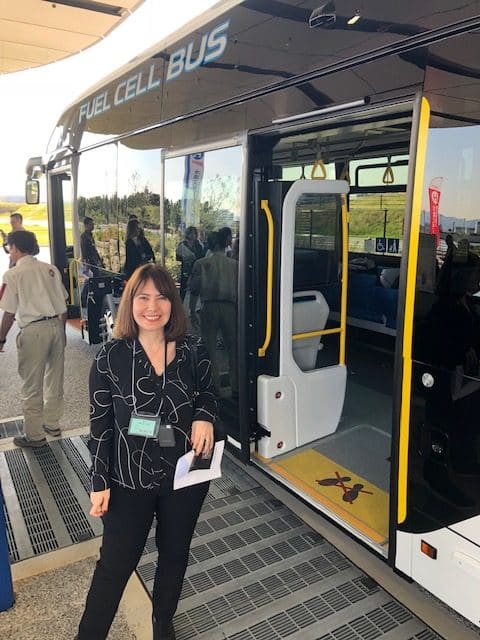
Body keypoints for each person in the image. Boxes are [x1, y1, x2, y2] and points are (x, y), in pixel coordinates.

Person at [76, 263, 217, 640]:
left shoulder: (192, 349)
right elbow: (100, 426)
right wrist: (99, 482)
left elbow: (208, 392)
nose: (152, 306)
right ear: (130, 303)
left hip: (184, 477)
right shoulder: (110, 358)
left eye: (161, 297)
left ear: (173, 303)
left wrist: (204, 416)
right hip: (127, 479)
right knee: (114, 567)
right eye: (143, 297)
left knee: (174, 558)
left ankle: (162, 623)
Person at [0, 230, 68, 447]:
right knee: (54, 379)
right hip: (56, 326)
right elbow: (63, 305)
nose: (9, 253)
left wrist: (1, 339)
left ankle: (35, 436)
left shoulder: (12, 275)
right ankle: (52, 423)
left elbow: (9, 313)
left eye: (9, 247)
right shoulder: (50, 269)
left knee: (32, 385)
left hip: (32, 330)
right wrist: (63, 332)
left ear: (16, 248)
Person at [189, 228, 238, 396]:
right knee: (233, 348)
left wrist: (192, 310)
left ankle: (214, 387)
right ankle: (236, 386)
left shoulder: (201, 264)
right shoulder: (234, 265)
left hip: (208, 307)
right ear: (224, 243)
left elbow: (194, 289)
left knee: (209, 349)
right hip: (230, 307)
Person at [175, 226, 204, 301]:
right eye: (191, 233)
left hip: (195, 269)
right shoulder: (183, 244)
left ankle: (193, 307)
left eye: (194, 233)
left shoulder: (198, 245)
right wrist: (185, 257)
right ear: (187, 234)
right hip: (186, 269)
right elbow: (177, 257)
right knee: (183, 286)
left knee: (195, 288)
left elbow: (201, 256)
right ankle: (181, 304)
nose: (193, 235)